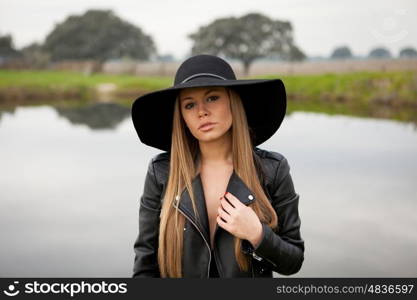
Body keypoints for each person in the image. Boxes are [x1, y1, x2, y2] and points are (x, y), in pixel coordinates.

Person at [131, 54, 304, 278]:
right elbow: (145, 265)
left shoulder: (273, 169)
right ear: (181, 117)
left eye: (212, 98)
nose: (201, 111)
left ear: (233, 102)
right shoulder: (161, 172)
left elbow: (293, 261)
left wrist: (257, 234)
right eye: (189, 104)